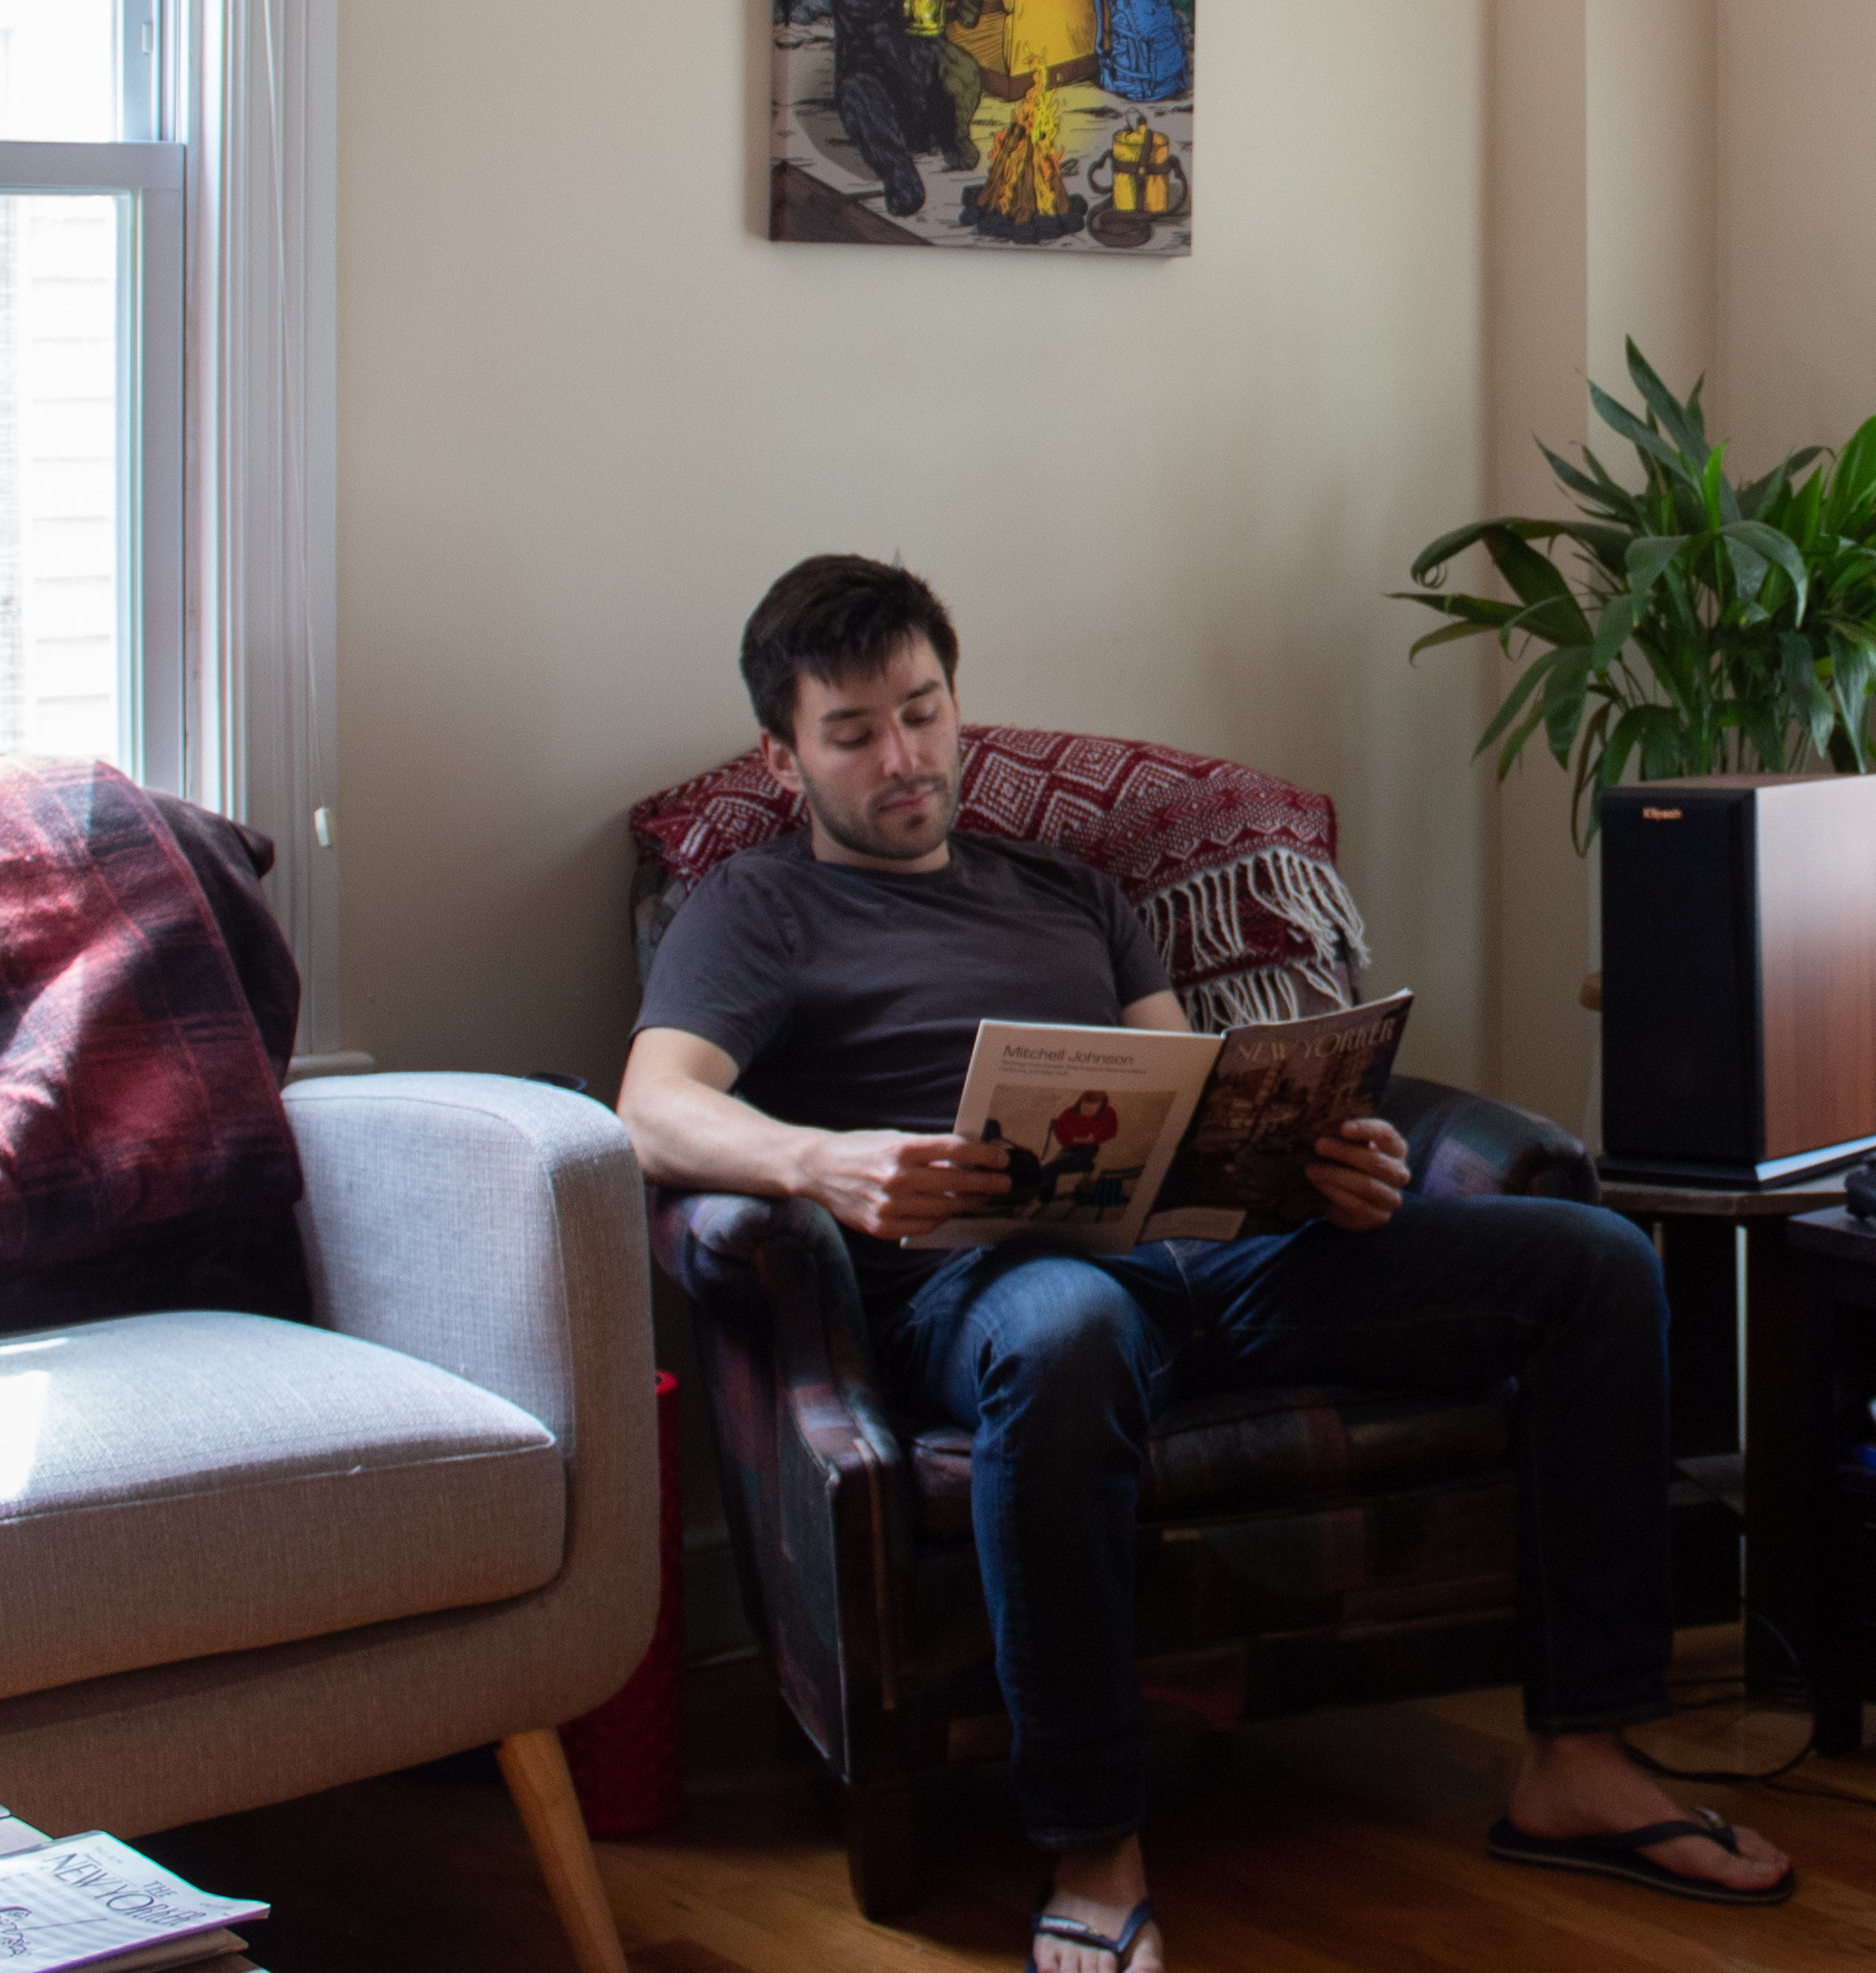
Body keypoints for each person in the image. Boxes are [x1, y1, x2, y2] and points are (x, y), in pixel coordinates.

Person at [616, 555, 1790, 1973]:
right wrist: (822, 1162)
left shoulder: (1072, 890)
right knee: (1066, 1336)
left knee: (1592, 1265)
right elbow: (652, 1108)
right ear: (784, 755)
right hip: (984, 1289)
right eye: (854, 733)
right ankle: (1093, 1841)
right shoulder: (756, 909)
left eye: (921, 713)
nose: (903, 757)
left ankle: (1580, 1759)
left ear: (956, 702)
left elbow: (1190, 1099)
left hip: (1210, 1264)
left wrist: (1320, 1166)